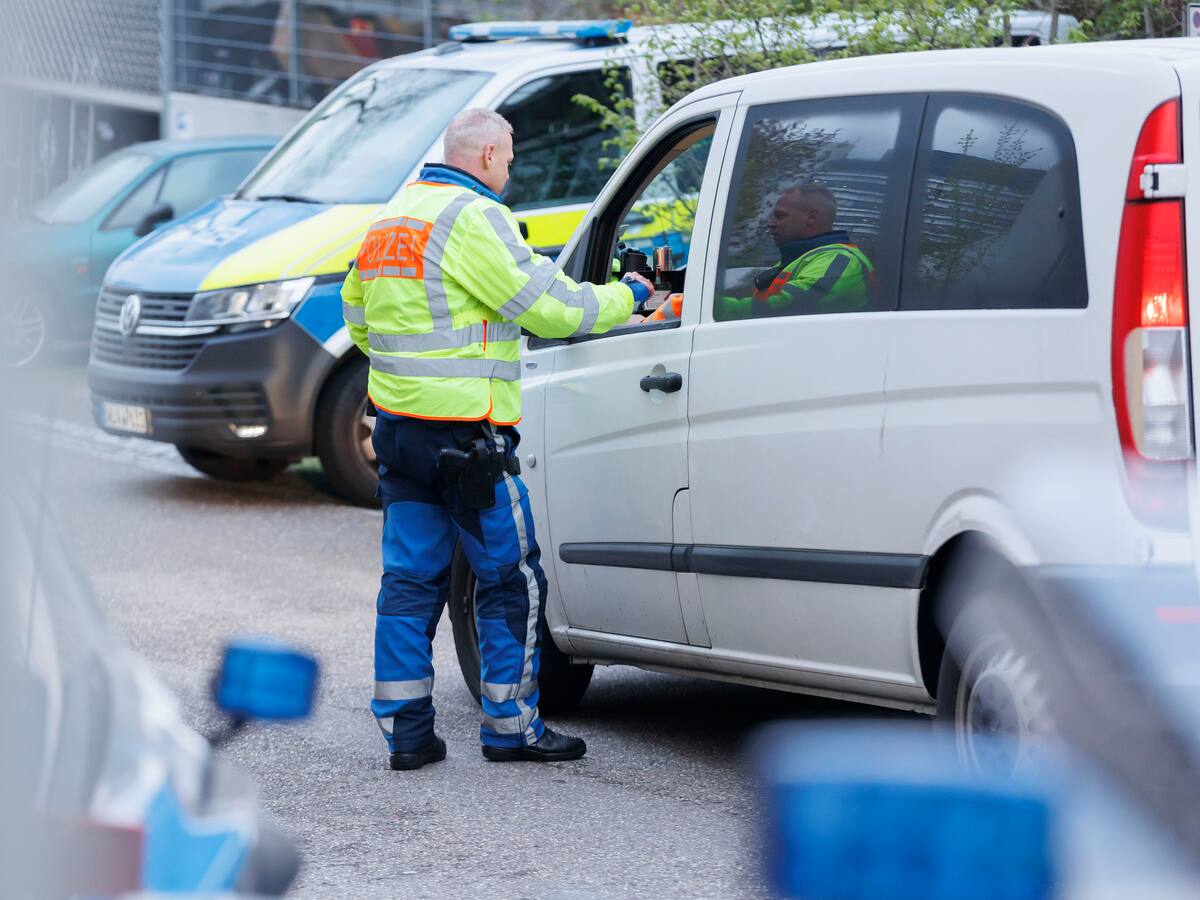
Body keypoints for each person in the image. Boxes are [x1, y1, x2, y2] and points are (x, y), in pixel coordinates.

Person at [341, 108, 654, 771]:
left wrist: (411, 380)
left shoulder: (393, 218)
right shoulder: (474, 217)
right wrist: (628, 296)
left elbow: (358, 317)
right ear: (486, 155)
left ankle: (407, 733)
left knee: (409, 583)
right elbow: (552, 308)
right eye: (508, 157)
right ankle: (512, 728)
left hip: (400, 435)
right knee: (511, 579)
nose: (509, 168)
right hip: (469, 443)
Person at [715, 183, 874, 320]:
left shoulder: (840, 261)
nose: (771, 223)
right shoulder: (802, 259)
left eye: (780, 216)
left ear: (811, 218)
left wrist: (708, 306)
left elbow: (780, 309)